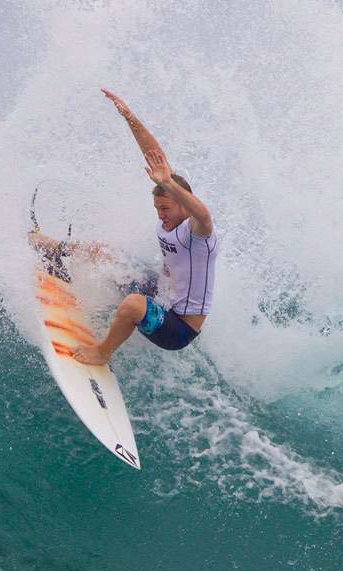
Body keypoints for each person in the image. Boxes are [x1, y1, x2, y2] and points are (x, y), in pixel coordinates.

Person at [53, 89, 218, 367]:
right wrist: (129, 117)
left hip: (179, 328)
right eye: (157, 210)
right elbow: (155, 157)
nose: (161, 216)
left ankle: (103, 353)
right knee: (108, 253)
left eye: (165, 209)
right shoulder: (171, 215)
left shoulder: (198, 233)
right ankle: (51, 253)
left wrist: (169, 184)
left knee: (132, 304)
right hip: (163, 295)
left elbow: (204, 215)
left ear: (182, 205)